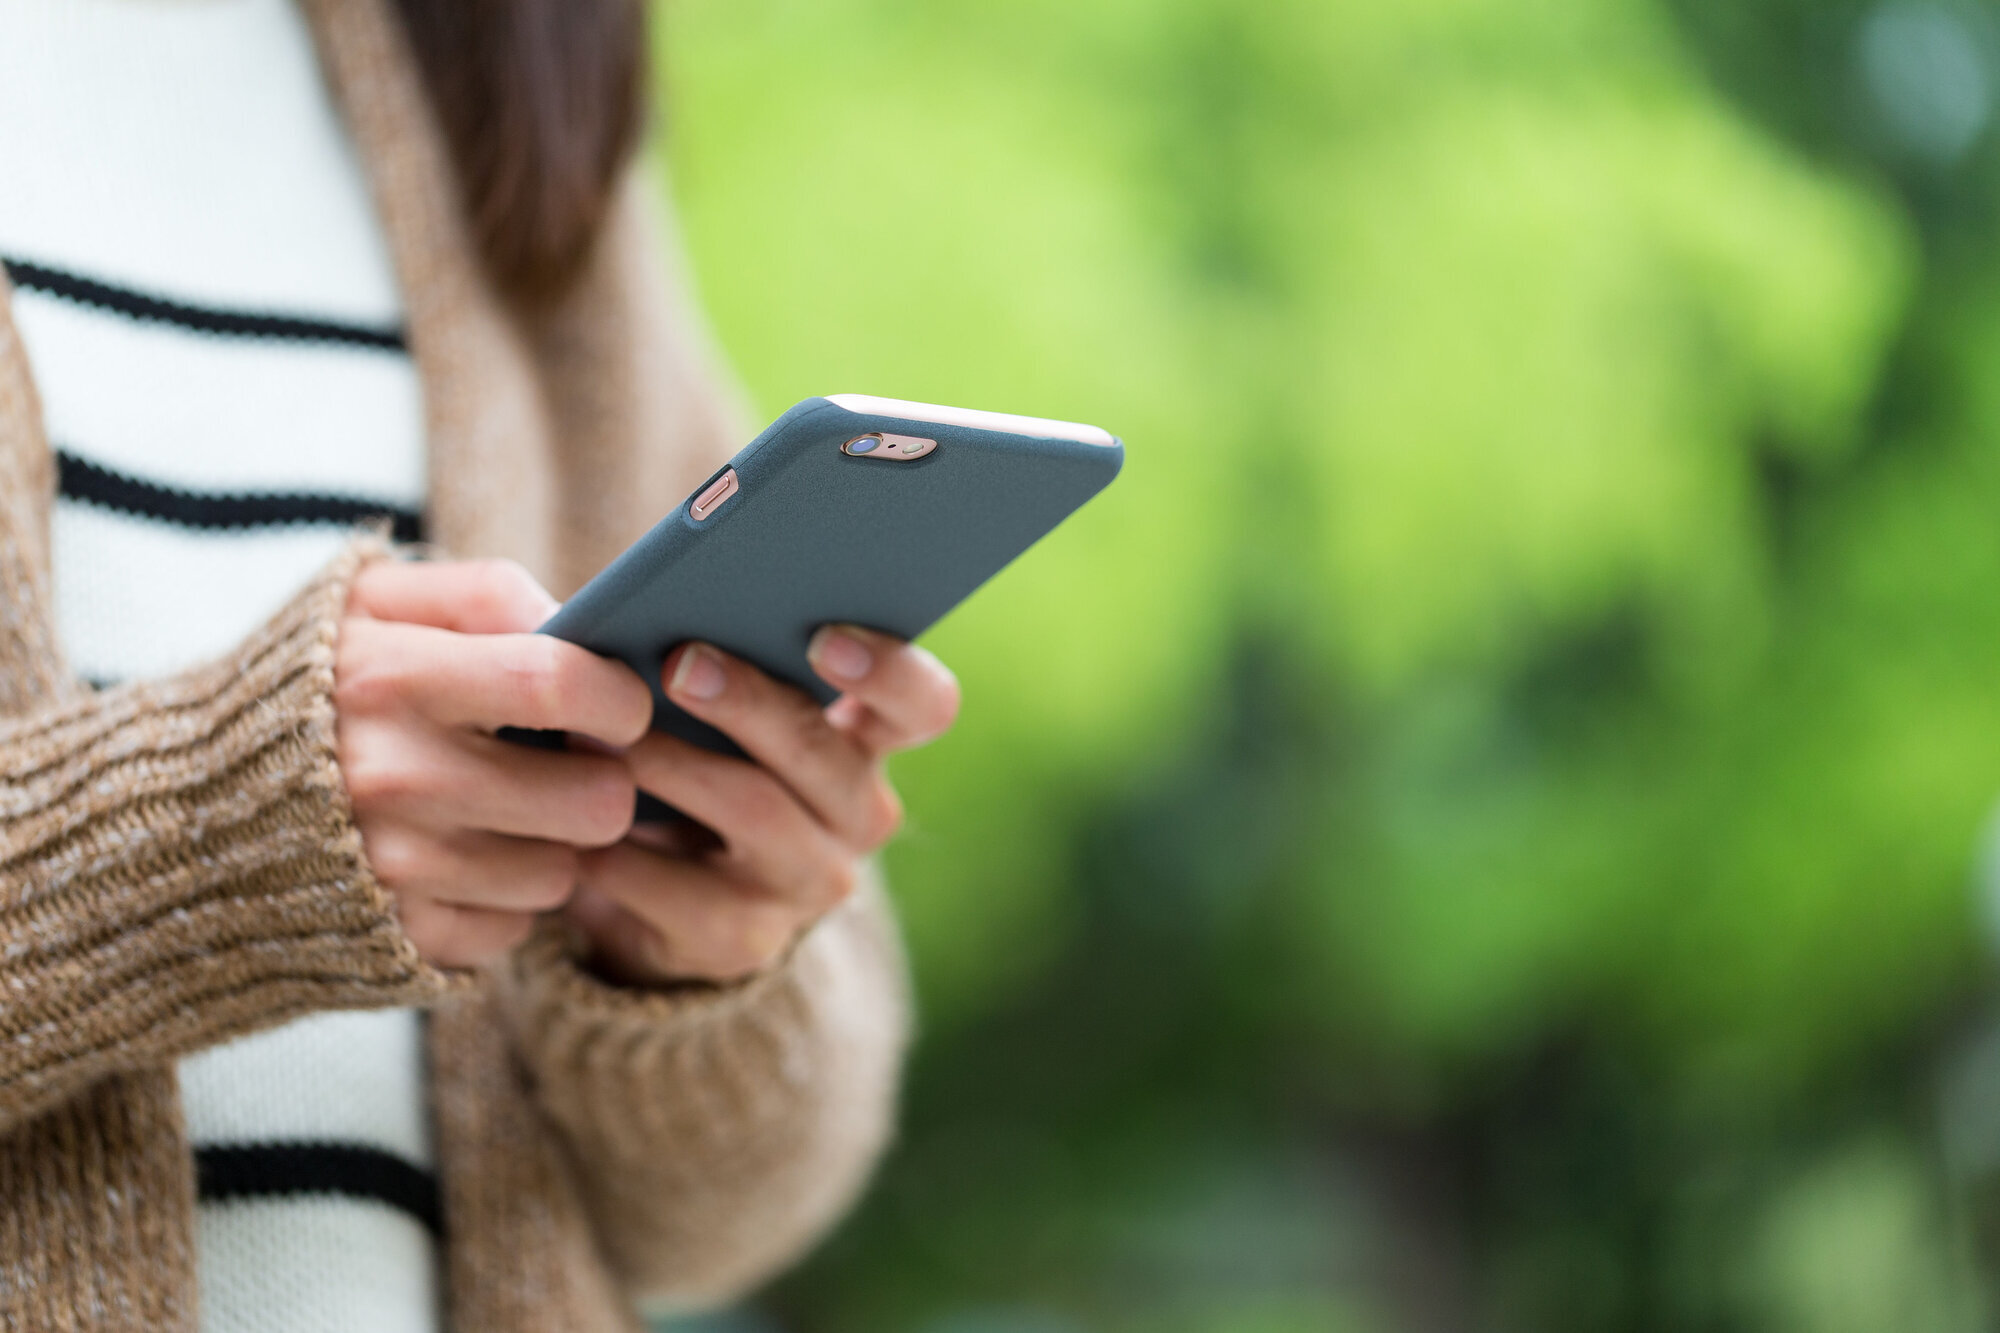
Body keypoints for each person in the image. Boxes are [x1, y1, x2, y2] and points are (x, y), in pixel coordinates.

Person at [0, 0, 953, 1329]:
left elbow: (737, 1203)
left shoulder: (487, 57)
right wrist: (210, 832)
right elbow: (230, 832)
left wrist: (683, 969)